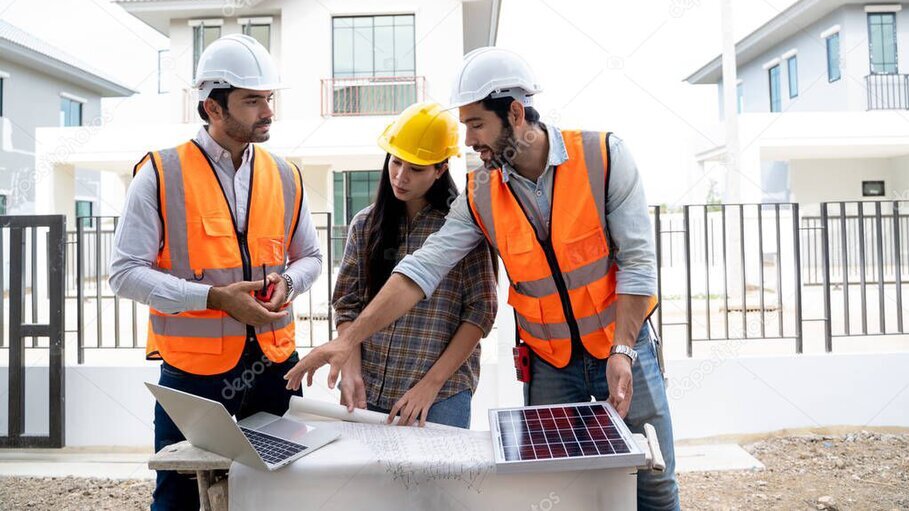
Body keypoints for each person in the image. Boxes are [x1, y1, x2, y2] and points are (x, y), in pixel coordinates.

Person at [286, 47, 680, 510]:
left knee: (652, 478)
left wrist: (623, 349)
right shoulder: (481, 193)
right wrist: (349, 341)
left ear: (514, 113)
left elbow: (638, 263)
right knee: (560, 485)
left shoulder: (603, 156)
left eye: (476, 125)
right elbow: (422, 268)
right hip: (550, 363)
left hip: (624, 346)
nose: (469, 141)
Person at [109, 34, 322, 511]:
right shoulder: (160, 173)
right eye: (252, 101)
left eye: (268, 99)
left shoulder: (286, 174)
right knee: (180, 497)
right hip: (194, 378)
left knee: (280, 492)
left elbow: (311, 257)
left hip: (275, 367)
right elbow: (124, 273)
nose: (267, 111)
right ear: (213, 107)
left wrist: (287, 283)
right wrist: (214, 299)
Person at [333, 102, 497, 428]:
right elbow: (346, 305)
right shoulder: (364, 225)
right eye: (396, 162)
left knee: (435, 480)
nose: (401, 177)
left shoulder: (463, 227)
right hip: (370, 386)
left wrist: (430, 386)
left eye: (416, 169)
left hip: (438, 395)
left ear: (439, 170)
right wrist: (350, 371)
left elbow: (480, 312)